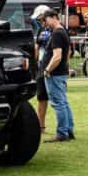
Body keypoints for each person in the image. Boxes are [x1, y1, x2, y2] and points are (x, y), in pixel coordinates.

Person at [36, 8, 74, 143]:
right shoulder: (62, 30)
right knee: (63, 102)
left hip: (55, 74)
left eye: (45, 20)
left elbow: (57, 56)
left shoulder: (57, 33)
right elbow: (67, 52)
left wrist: (47, 70)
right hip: (60, 72)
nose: (45, 23)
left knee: (58, 103)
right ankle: (68, 130)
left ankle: (62, 133)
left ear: (53, 17)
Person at [31, 6, 53, 133]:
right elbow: (36, 48)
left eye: (40, 19)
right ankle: (41, 127)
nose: (40, 22)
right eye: (38, 20)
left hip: (53, 68)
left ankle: (64, 128)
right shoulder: (41, 31)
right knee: (41, 98)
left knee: (57, 100)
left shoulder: (57, 30)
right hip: (41, 66)